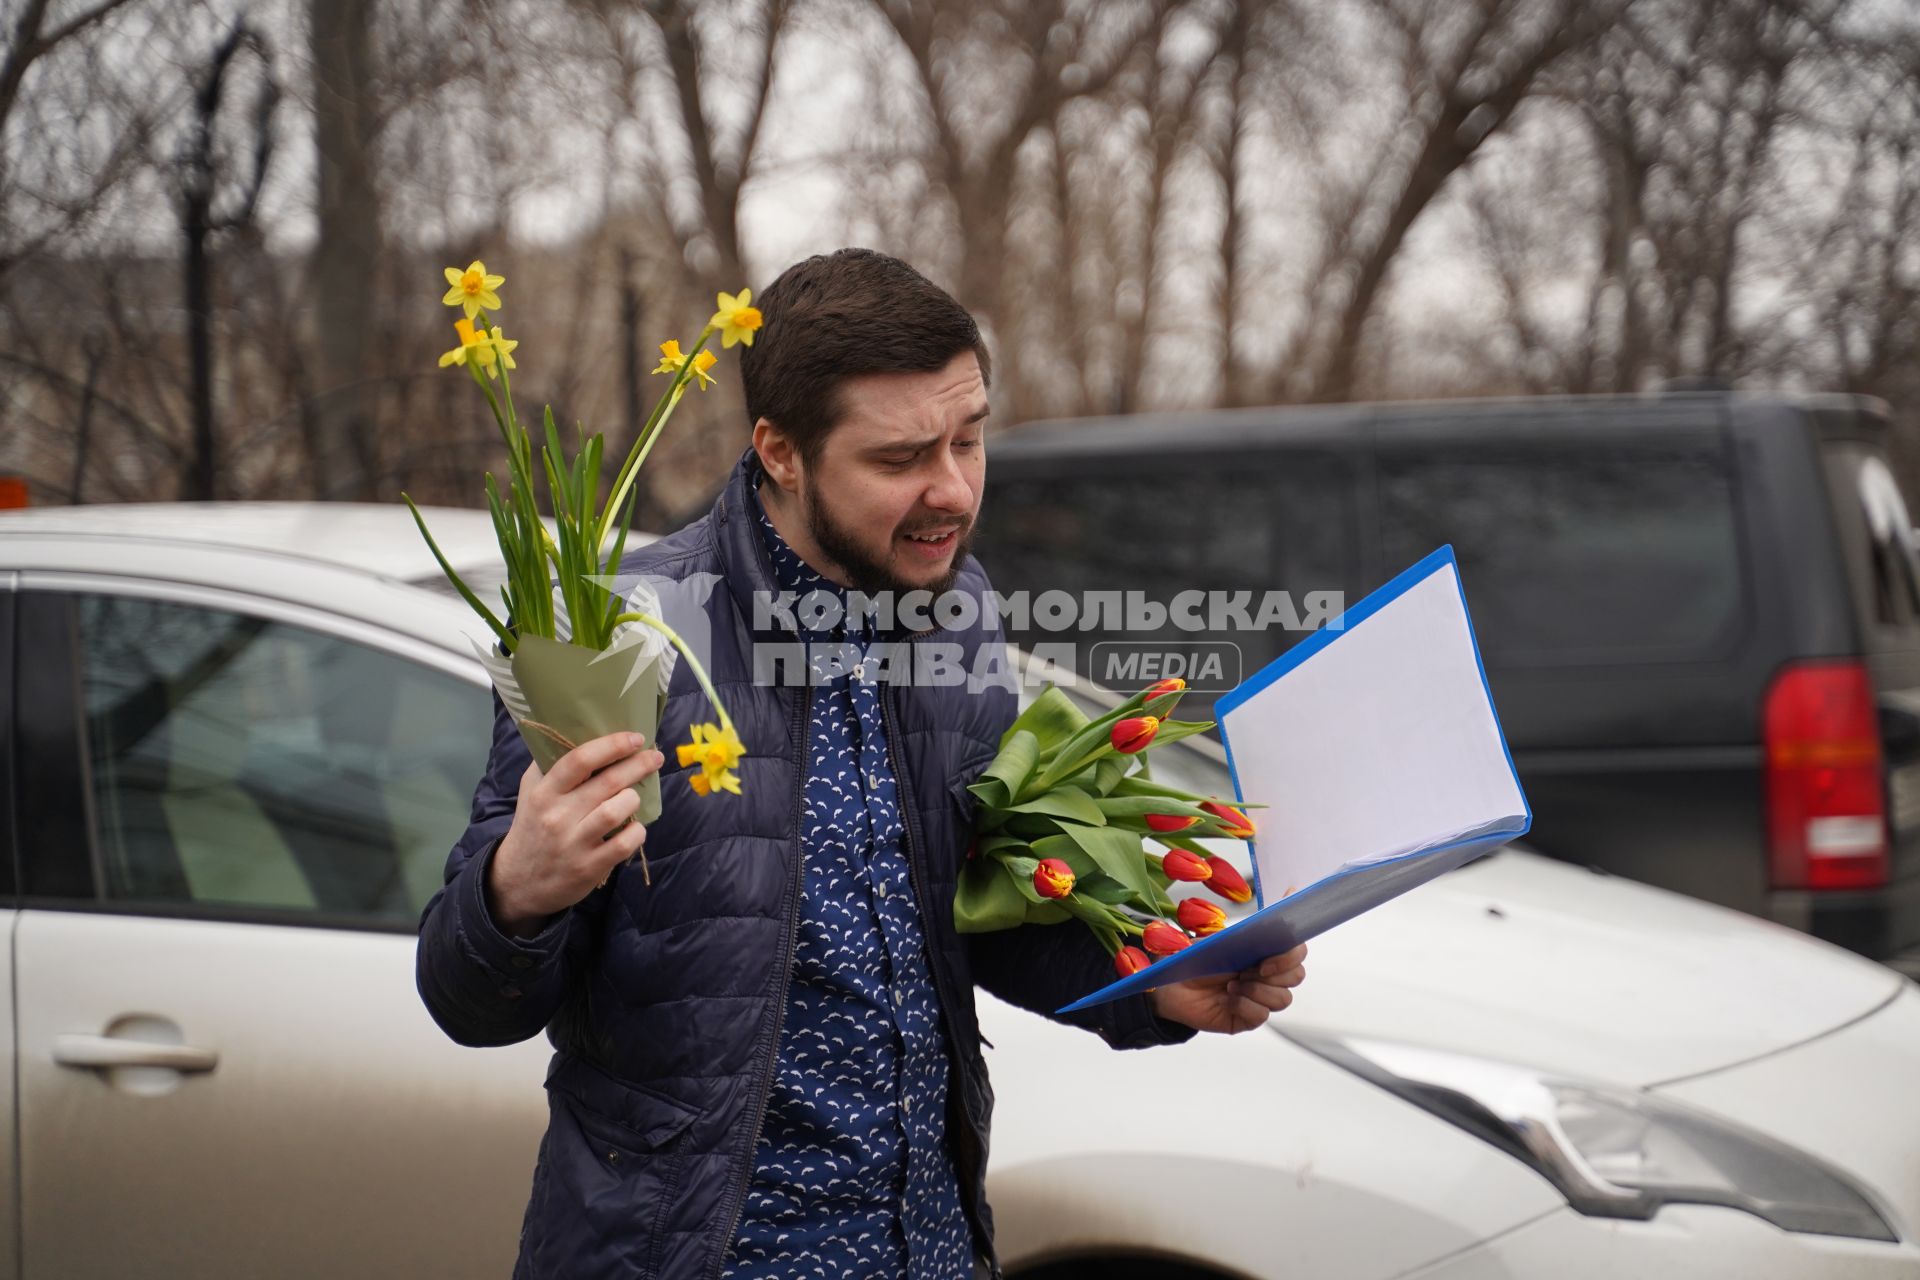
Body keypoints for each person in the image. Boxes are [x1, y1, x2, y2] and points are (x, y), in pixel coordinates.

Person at [416, 248, 1309, 1280]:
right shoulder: (616, 632)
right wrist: (514, 891)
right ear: (781, 451)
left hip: (929, 1252)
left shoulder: (957, 609)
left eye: (970, 440)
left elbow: (975, 912)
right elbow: (465, 996)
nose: (953, 489)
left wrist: (1153, 985)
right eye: (900, 459)